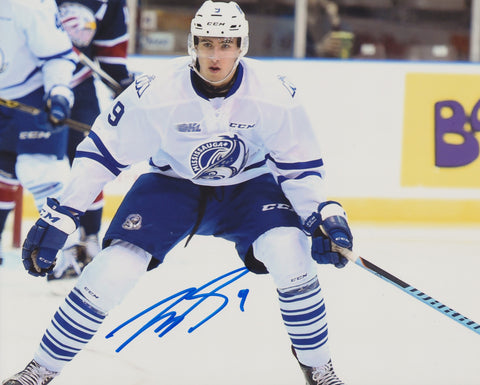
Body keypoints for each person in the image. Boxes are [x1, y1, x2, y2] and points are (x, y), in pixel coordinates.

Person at [2, 1, 354, 384]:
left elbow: (300, 169)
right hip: (172, 187)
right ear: (193, 44)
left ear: (242, 45)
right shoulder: (156, 92)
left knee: (291, 252)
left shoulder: (274, 95)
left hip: (248, 188)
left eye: (225, 44)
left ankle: (319, 367)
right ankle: (39, 370)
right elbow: (102, 154)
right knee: (112, 268)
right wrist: (63, 213)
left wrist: (321, 214)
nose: (215, 56)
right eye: (206, 44)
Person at [45, 0, 134, 280]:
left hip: (78, 86)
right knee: (29, 167)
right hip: (30, 86)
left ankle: (89, 240)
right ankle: (61, 245)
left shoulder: (107, 3)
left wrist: (121, 81)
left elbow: (110, 49)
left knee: (88, 162)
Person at [0, 0, 78, 266]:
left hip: (31, 96)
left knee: (41, 173)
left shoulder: (30, 5)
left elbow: (58, 56)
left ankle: (66, 256)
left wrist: (57, 95)